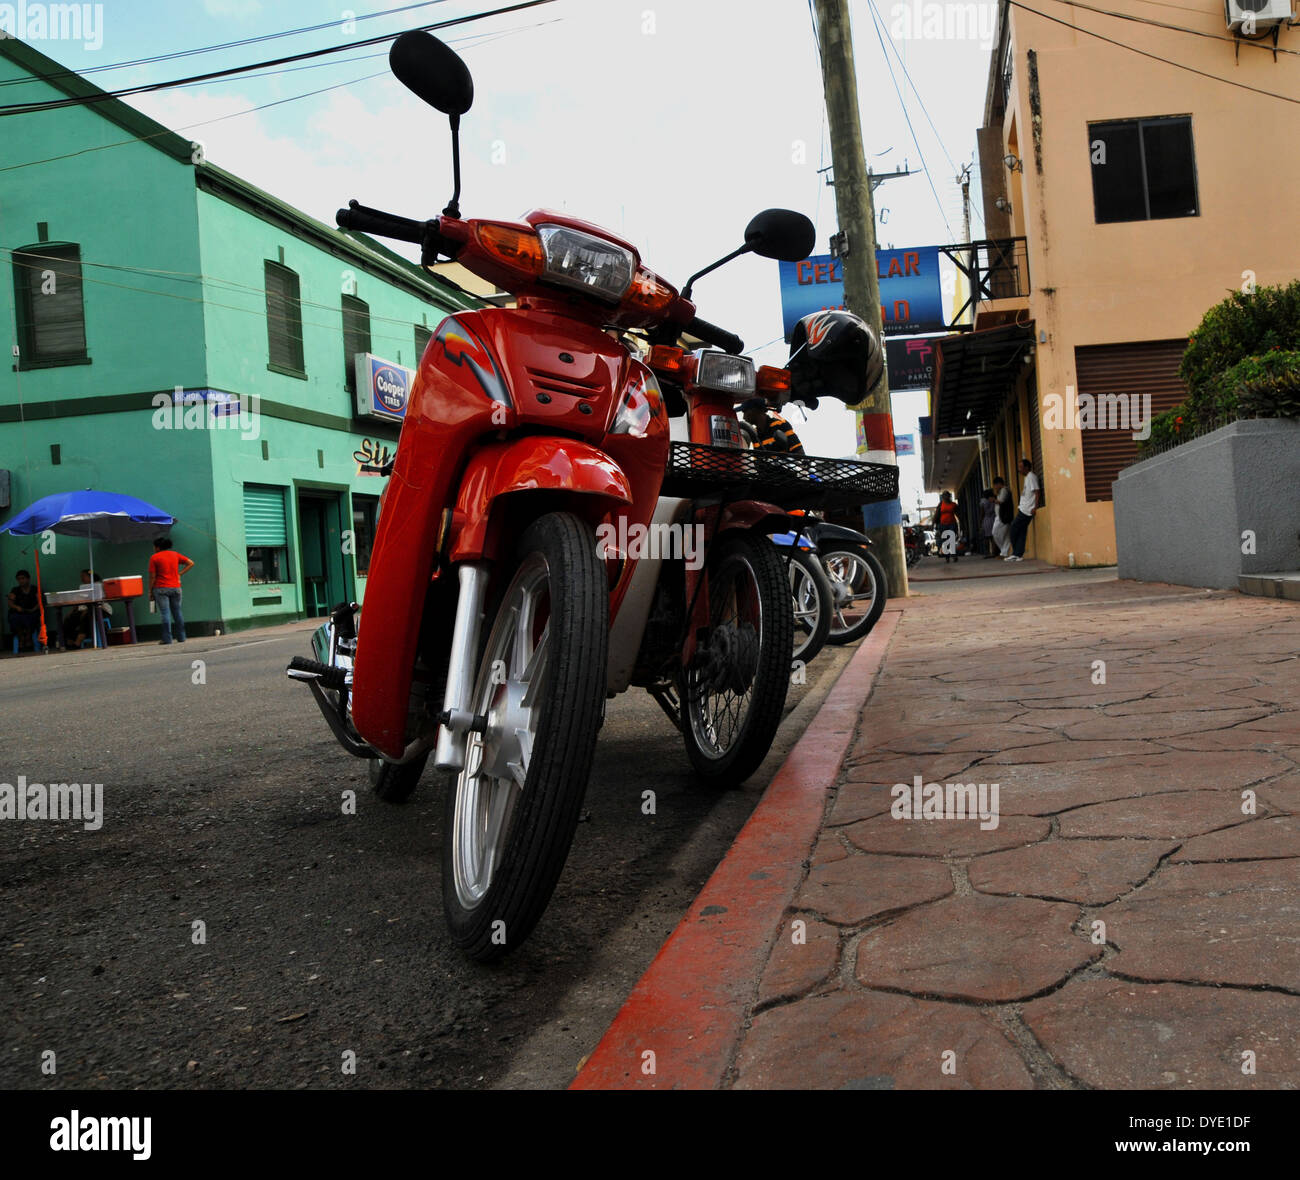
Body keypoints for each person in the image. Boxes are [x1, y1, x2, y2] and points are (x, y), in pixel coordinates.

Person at [148, 537, 194, 644]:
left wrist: (150, 591)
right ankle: (182, 637)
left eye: (154, 547)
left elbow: (152, 577)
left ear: (158, 547)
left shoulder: (154, 558)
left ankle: (167, 639)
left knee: (165, 613)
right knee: (177, 612)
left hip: (161, 588)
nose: (154, 549)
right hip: (176, 588)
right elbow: (191, 563)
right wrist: (179, 574)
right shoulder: (175, 554)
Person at [63, 570, 113, 649]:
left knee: (87, 616)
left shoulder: (99, 586)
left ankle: (78, 643)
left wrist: (87, 610)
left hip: (101, 609)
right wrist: (72, 611)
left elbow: (97, 600)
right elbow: (78, 601)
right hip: (84, 610)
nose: (82, 578)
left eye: (83, 576)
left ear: (90, 577)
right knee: (70, 618)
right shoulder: (83, 587)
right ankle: (70, 642)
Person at [738, 399, 805, 454]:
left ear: (754, 410)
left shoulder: (780, 424)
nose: (743, 417)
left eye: (745, 412)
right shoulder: (755, 434)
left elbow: (800, 453)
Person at [1008, 458, 1041, 562]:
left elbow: (1037, 492)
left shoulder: (1031, 477)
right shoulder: (1027, 477)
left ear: (1026, 467)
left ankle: (1016, 553)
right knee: (1022, 531)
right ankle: (1018, 554)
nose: (1019, 470)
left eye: (1021, 467)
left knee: (1013, 528)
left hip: (1027, 510)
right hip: (1023, 508)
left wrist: (1035, 507)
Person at [7, 569, 42, 652]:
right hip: (19, 613)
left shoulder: (34, 589)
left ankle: (29, 638)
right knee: (14, 617)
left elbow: (40, 602)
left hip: (31, 612)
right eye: (19, 579)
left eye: (23, 578)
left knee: (33, 617)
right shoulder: (15, 590)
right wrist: (16, 607)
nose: (21, 581)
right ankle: (21, 638)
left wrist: (34, 608)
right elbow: (10, 603)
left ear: (28, 579)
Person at [992, 476, 1014, 559]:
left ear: (999, 484)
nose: (994, 487)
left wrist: (993, 500)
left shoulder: (1004, 490)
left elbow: (1001, 501)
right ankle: (1004, 553)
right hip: (1000, 516)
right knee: (1006, 536)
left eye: (995, 485)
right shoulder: (1001, 491)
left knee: (996, 533)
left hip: (1003, 517)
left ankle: (1003, 551)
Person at [935, 491, 961, 562]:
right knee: (945, 541)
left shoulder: (953, 505)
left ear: (949, 496)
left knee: (952, 539)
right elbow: (936, 515)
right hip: (943, 525)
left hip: (952, 524)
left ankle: (954, 555)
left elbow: (958, 514)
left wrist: (962, 523)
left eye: (947, 496)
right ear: (943, 497)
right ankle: (947, 556)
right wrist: (934, 524)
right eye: (944, 496)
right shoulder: (941, 504)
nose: (946, 497)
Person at [979, 488, 998, 558]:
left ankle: (987, 553)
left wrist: (980, 522)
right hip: (994, 519)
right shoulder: (993, 500)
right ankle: (994, 552)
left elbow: (982, 513)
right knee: (993, 537)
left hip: (986, 520)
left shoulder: (983, 502)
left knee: (987, 537)